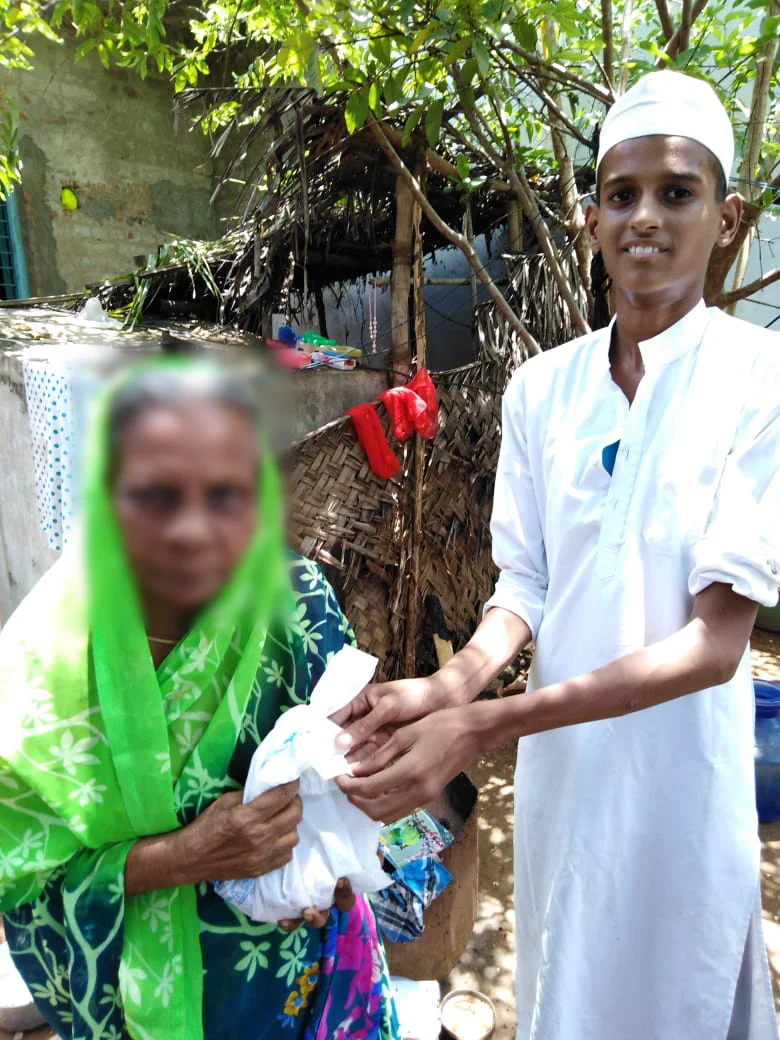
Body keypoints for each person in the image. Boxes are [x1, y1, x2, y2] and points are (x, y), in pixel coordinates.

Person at [334, 71, 780, 1039]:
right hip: (566, 766)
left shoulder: (761, 379)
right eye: (620, 195)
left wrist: (484, 726)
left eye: (677, 191)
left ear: (728, 217)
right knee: (570, 975)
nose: (645, 218)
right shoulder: (543, 389)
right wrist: (451, 686)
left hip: (683, 769)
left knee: (683, 984)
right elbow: (527, 583)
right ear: (590, 221)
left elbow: (711, 645)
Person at [0, 360, 399, 1040]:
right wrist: (187, 854)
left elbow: (355, 771)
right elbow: (24, 880)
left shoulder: (293, 602)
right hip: (132, 1005)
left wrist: (335, 866)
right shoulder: (41, 661)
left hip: (288, 981)